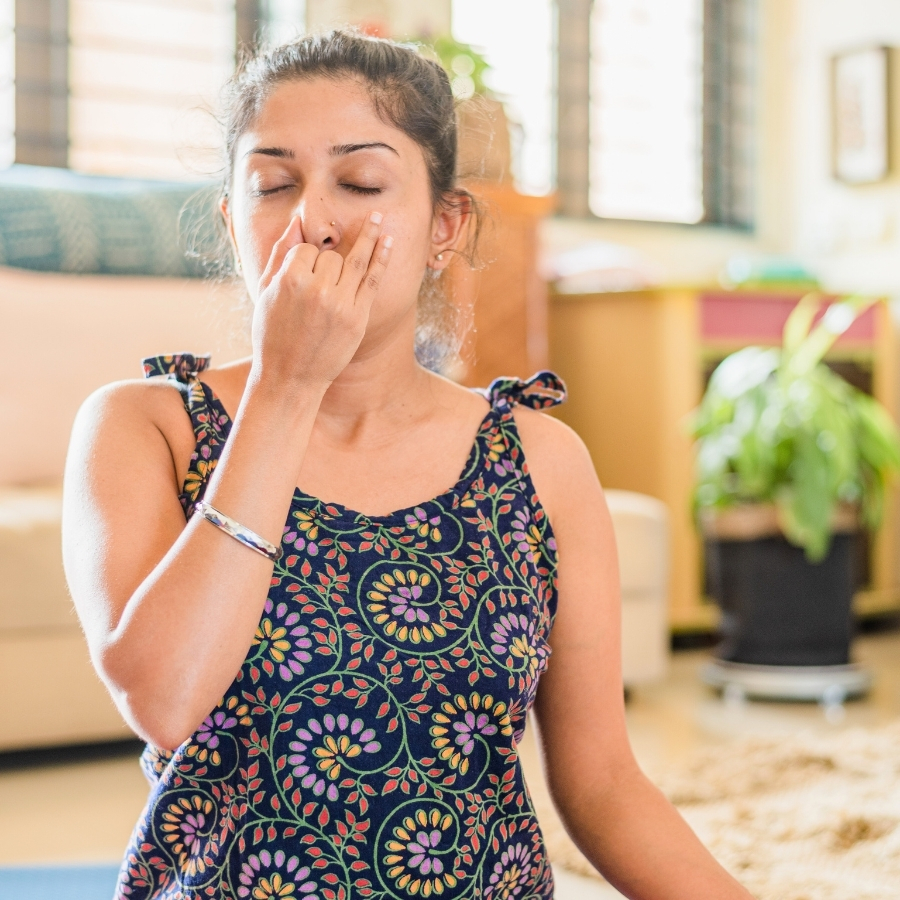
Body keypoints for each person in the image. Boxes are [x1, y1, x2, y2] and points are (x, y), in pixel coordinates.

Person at [63, 30, 753, 900]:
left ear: (444, 226)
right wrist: (286, 386)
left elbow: (604, 785)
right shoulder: (145, 427)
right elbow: (164, 699)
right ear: (234, 223)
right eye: (273, 185)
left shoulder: (535, 458)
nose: (313, 217)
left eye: (360, 182)